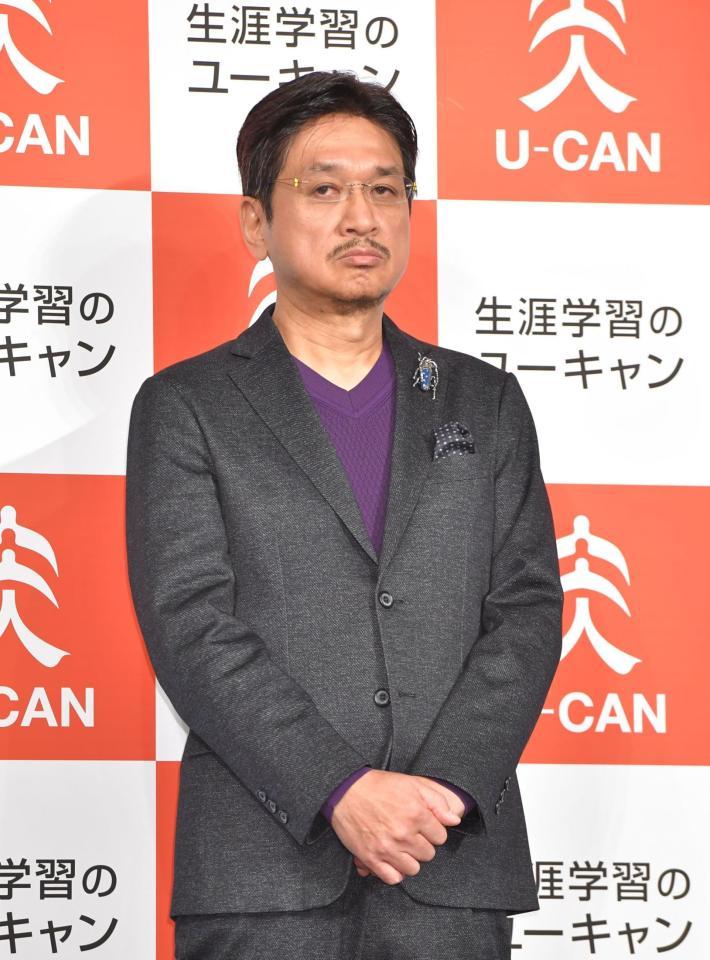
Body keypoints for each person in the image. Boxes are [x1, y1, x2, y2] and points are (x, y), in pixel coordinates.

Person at [125, 70, 563, 960]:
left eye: (385, 189)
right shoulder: (187, 405)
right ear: (257, 221)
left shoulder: (484, 401)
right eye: (324, 189)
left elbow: (527, 610)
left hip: (448, 863)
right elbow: (190, 624)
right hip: (263, 871)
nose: (361, 217)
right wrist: (341, 789)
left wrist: (439, 794)